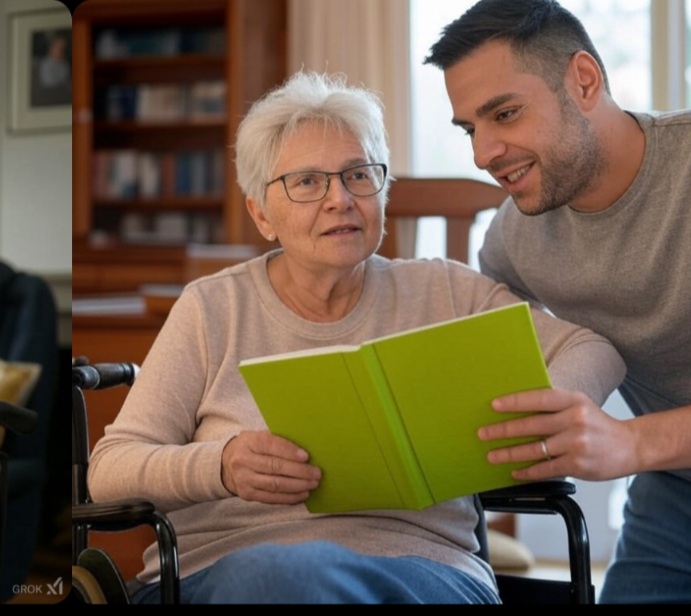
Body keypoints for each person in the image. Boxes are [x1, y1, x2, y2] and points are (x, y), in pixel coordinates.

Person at [87, 70, 626, 605]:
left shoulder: (445, 292)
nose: (339, 199)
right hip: (229, 574)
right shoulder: (212, 307)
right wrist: (221, 465)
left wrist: (544, 414)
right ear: (261, 214)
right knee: (285, 575)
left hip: (422, 572)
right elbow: (110, 470)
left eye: (359, 175)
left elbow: (592, 349)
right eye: (306, 182)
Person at [423, 0, 691, 605]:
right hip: (689, 500)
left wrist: (632, 444)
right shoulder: (514, 238)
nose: (483, 153)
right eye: (471, 129)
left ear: (583, 80)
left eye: (506, 113)